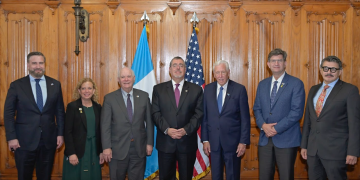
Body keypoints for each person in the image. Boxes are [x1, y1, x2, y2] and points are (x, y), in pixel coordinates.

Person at [4, 51, 65, 180]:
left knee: (45, 176)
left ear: (44, 64)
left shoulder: (55, 84)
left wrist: (60, 134)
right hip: (23, 141)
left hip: (48, 140)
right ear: (28, 65)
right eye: (34, 63)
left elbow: (59, 111)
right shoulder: (16, 86)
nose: (38, 66)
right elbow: (8, 114)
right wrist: (11, 137)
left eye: (41, 63)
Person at [300, 56, 360, 180]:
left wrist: (353, 151)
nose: (329, 72)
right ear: (320, 70)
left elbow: (355, 124)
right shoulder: (313, 90)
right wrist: (304, 145)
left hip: (336, 151)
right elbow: (308, 121)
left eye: (333, 69)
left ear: (340, 72)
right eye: (326, 68)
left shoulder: (350, 90)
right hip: (313, 150)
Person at [253, 48, 305, 180]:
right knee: (264, 176)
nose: (276, 63)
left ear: (285, 63)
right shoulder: (262, 84)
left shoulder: (296, 83)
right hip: (265, 140)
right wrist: (263, 125)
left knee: (286, 176)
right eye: (273, 61)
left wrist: (276, 128)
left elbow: (296, 112)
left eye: (279, 61)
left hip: (286, 139)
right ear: (268, 64)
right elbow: (257, 108)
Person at [152, 56, 203, 180]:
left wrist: (186, 130)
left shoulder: (196, 90)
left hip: (186, 142)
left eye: (181, 65)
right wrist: (167, 129)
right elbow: (155, 113)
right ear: (170, 69)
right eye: (175, 65)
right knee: (165, 177)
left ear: (185, 69)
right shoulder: (159, 89)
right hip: (166, 142)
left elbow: (199, 114)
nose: (178, 68)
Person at [101, 67, 154, 180]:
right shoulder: (109, 98)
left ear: (134, 78)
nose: (126, 79)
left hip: (138, 148)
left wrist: (149, 143)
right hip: (116, 149)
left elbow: (149, 122)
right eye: (123, 77)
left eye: (128, 76)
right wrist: (106, 147)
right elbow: (105, 125)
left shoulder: (144, 96)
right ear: (118, 80)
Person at [201, 60, 250, 180]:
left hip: (233, 144)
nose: (220, 75)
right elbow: (205, 117)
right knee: (216, 176)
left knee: (232, 176)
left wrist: (243, 142)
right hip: (213, 143)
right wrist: (205, 140)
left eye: (223, 72)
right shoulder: (207, 89)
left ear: (229, 72)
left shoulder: (239, 89)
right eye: (217, 72)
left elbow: (245, 118)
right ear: (214, 74)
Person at [62, 78, 105, 180]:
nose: (87, 91)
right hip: (77, 151)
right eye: (83, 88)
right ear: (79, 91)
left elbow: (101, 131)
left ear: (94, 91)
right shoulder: (72, 107)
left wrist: (102, 151)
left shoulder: (98, 107)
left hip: (94, 151)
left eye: (89, 88)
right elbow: (67, 132)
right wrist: (71, 153)